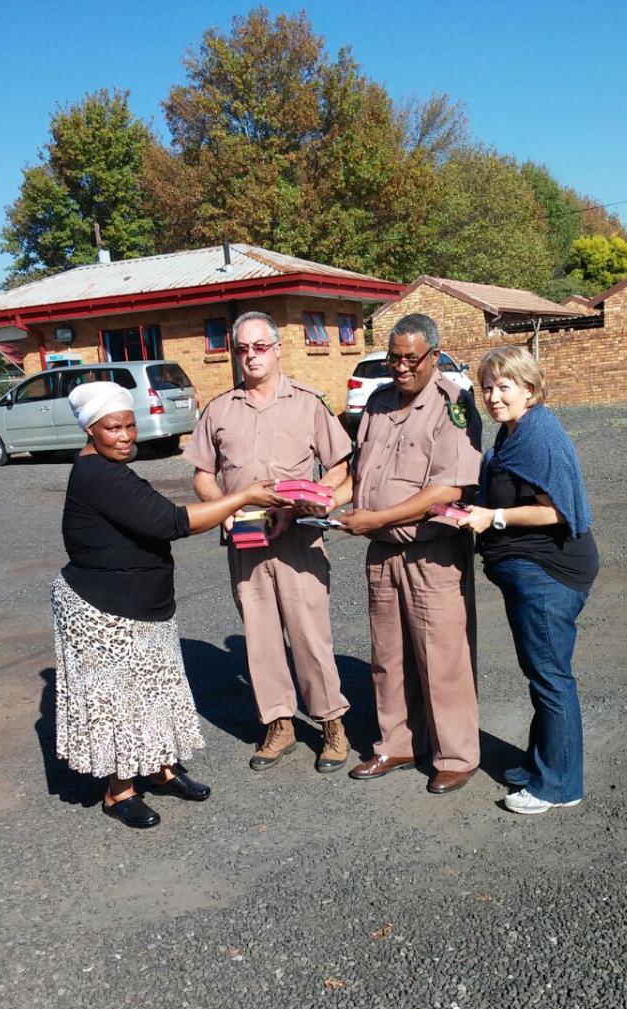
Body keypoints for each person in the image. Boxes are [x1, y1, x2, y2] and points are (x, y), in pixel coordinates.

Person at [52, 380, 285, 829]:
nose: (125, 436)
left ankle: (160, 769)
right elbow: (170, 522)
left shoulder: (110, 468)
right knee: (120, 702)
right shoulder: (98, 474)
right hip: (103, 610)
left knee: (155, 691)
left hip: (139, 605)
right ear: (90, 430)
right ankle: (119, 791)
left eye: (129, 426)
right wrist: (243, 497)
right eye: (112, 428)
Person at [184, 312, 352, 773]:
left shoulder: (308, 403)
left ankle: (331, 723)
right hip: (245, 539)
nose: (251, 356)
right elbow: (203, 475)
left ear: (278, 349)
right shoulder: (219, 410)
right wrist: (221, 508)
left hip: (298, 537)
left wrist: (308, 502)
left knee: (310, 636)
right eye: (242, 348)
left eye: (260, 347)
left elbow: (340, 467)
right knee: (259, 638)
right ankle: (279, 724)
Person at [336, 313, 482, 793]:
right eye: (392, 358)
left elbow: (448, 489)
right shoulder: (377, 402)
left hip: (431, 553)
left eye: (410, 359)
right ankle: (396, 744)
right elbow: (359, 473)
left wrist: (376, 518)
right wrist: (323, 500)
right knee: (388, 656)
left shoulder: (453, 404)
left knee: (442, 659)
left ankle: (455, 755)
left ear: (433, 356)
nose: (400, 367)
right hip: (382, 553)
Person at [457, 345, 599, 815]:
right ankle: (543, 764)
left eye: (505, 386)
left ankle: (559, 785)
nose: (493, 397)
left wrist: (493, 517)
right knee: (543, 673)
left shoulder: (537, 436)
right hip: (537, 570)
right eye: (487, 388)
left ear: (530, 390)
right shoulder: (516, 429)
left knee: (551, 678)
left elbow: (556, 511)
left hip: (548, 573)